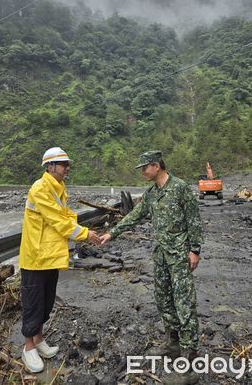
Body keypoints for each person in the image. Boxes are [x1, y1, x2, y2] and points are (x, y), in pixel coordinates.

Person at [100, 151, 203, 385]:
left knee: (184, 303)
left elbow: (194, 220)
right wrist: (111, 233)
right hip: (161, 256)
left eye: (144, 168)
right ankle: (172, 344)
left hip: (179, 256)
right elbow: (135, 215)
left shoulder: (180, 188)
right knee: (164, 300)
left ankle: (189, 363)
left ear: (156, 166)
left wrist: (195, 250)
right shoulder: (152, 194)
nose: (142, 172)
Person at [19, 147, 101, 373]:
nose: (67, 168)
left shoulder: (59, 188)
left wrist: (81, 230)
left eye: (67, 164)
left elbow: (66, 216)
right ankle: (28, 348)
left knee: (46, 301)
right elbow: (57, 220)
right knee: (33, 302)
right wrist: (85, 234)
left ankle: (39, 340)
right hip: (36, 256)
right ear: (50, 166)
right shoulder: (40, 187)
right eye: (63, 164)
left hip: (51, 256)